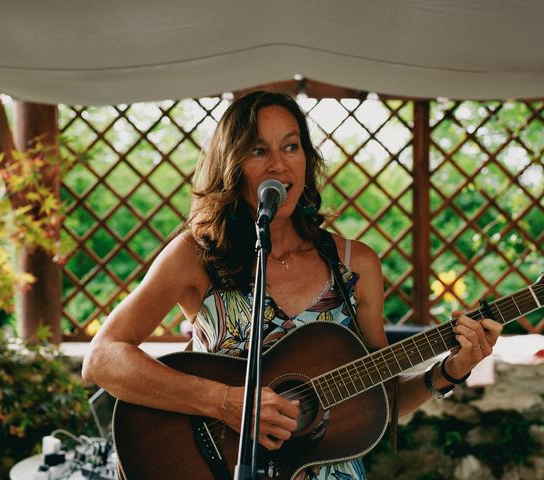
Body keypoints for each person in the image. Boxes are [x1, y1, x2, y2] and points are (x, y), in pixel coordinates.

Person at [82, 91, 503, 479]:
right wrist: (227, 403)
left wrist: (450, 371)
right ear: (232, 165)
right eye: (257, 150)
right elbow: (102, 358)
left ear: (306, 159)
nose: (278, 166)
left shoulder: (355, 266)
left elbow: (380, 404)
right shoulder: (196, 255)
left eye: (291, 146)